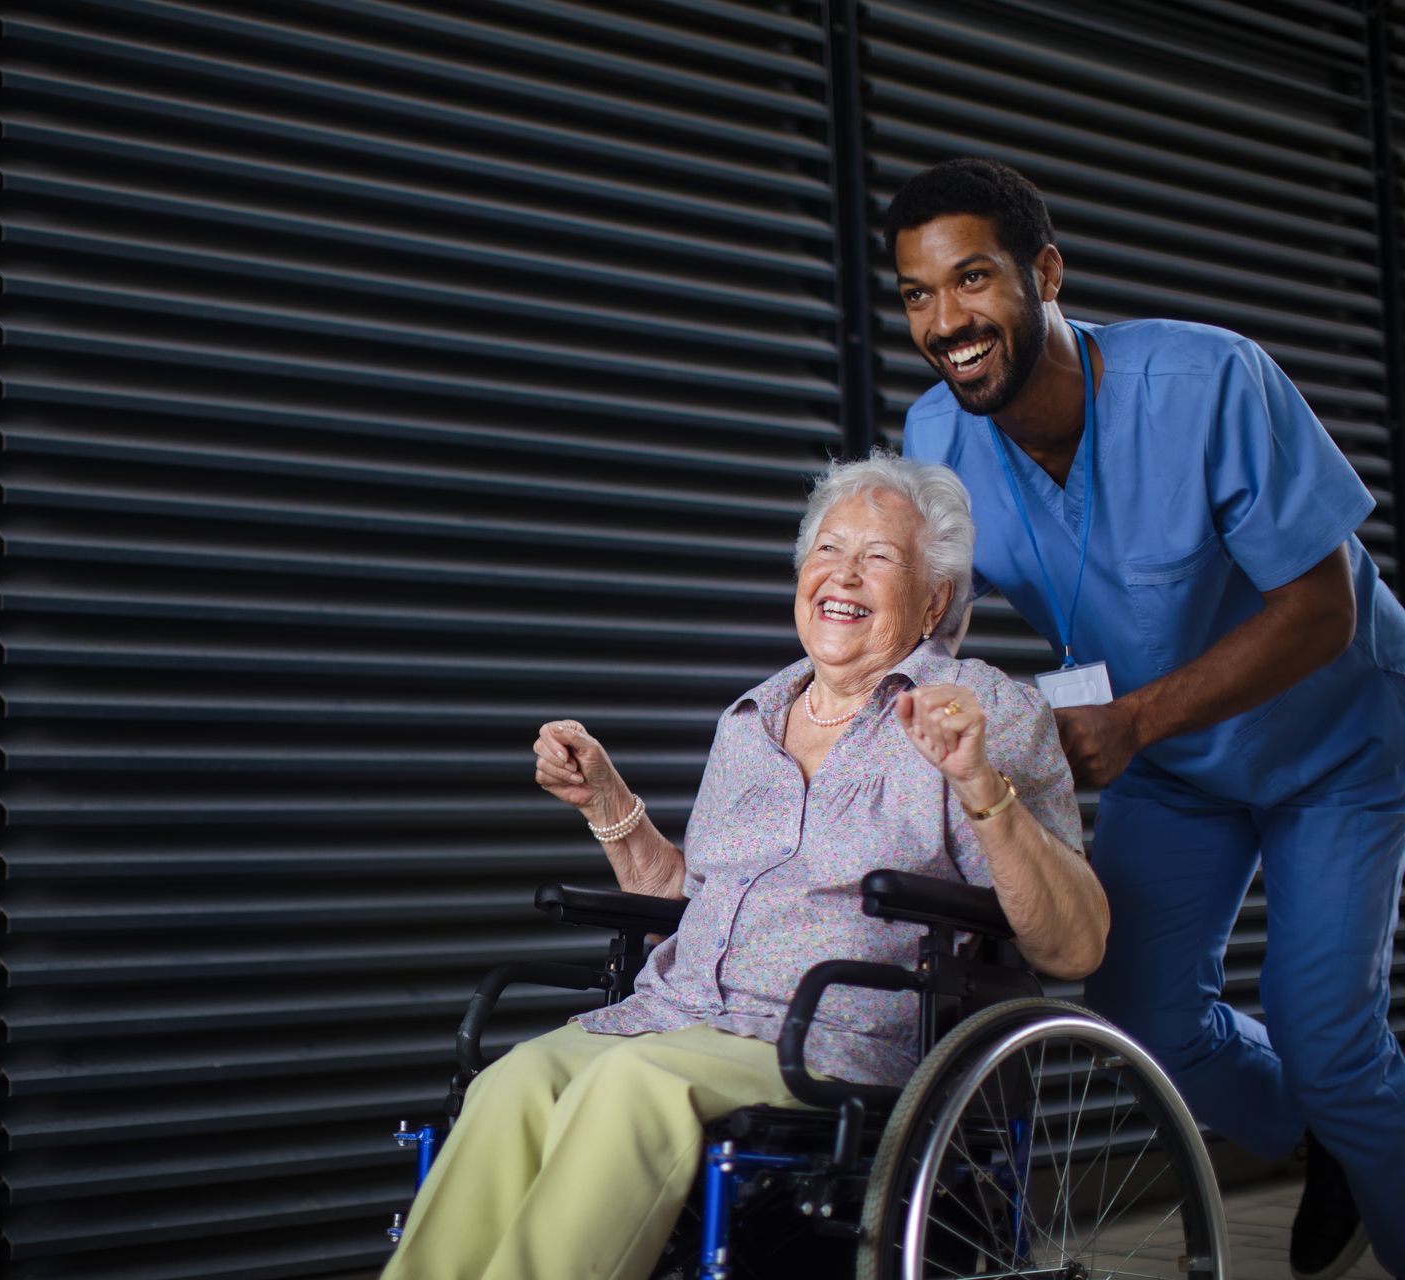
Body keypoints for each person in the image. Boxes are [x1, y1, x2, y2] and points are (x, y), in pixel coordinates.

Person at [380, 454, 1106, 1280]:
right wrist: (605, 801)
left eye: (880, 558)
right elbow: (695, 906)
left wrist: (980, 781)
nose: (842, 575)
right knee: (513, 1083)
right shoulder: (752, 720)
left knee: (627, 1090)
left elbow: (1075, 946)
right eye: (828, 551)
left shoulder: (979, 709)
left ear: (936, 600)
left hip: (827, 1036)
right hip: (679, 1015)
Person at [890, 157, 1405, 1280]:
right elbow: (923, 624)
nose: (946, 321)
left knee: (1331, 1038)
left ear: (1048, 273)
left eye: (972, 280)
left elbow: (1320, 609)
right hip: (1175, 759)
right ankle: (1325, 1134)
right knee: (1137, 1009)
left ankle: (1362, 1132)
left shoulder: (1210, 380)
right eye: (919, 295)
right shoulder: (937, 440)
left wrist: (1128, 724)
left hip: (1339, 740)